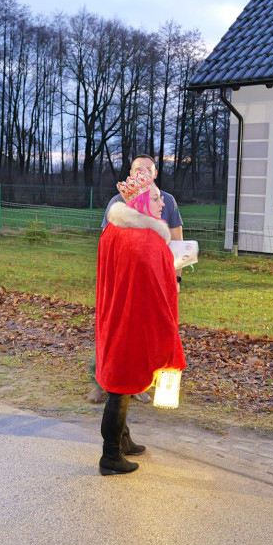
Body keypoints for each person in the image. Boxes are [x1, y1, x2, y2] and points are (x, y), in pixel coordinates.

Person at [95, 171, 185, 475]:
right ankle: (110, 456)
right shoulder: (146, 239)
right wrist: (168, 333)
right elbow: (158, 290)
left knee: (119, 381)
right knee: (121, 385)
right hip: (133, 322)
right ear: (144, 203)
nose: (163, 205)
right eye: (157, 199)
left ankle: (123, 439)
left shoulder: (114, 229)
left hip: (115, 316)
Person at [89, 155, 184, 404]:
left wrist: (175, 278)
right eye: (136, 169)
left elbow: (177, 241)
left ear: (155, 173)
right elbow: (111, 247)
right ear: (130, 174)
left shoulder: (166, 202)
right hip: (124, 291)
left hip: (142, 289)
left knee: (130, 344)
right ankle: (105, 383)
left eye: (147, 169)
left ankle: (134, 386)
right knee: (118, 344)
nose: (160, 204)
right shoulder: (119, 206)